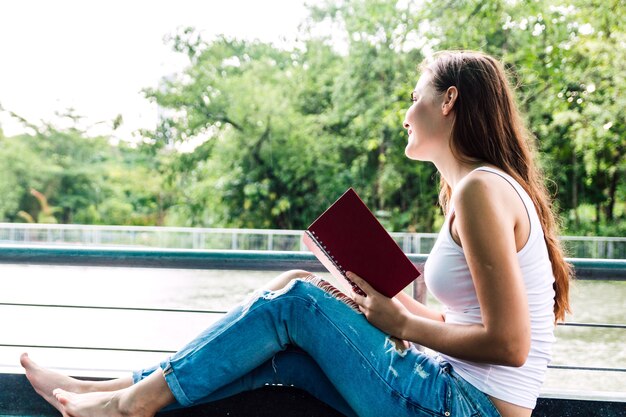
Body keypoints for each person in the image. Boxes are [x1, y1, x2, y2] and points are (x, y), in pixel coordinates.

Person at [20, 50, 571, 417]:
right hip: (454, 389)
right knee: (296, 306)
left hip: (466, 406)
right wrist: (375, 306)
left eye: (415, 95)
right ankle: (110, 391)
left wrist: (401, 321)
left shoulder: (481, 191)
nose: (406, 113)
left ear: (448, 101)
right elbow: (463, 324)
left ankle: (127, 405)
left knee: (297, 300)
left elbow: (509, 345)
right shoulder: (476, 191)